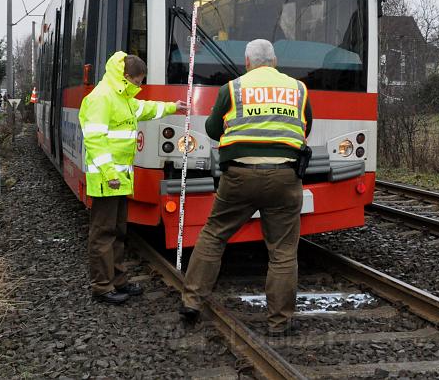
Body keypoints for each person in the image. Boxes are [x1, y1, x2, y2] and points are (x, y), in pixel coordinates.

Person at [180, 39, 312, 336]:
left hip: (239, 176)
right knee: (282, 251)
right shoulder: (298, 89)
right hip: (284, 177)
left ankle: (191, 301)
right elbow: (305, 127)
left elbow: (213, 129)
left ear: (247, 62)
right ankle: (279, 322)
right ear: (274, 61)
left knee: (214, 235)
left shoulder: (233, 88)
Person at [79, 51, 187, 304]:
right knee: (103, 233)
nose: (139, 86)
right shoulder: (102, 98)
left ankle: (117, 281)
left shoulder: (122, 96)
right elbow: (95, 140)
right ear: (126, 76)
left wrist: (173, 107)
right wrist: (109, 173)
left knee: (118, 231)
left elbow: (145, 108)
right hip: (107, 178)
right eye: (138, 81)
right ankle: (102, 287)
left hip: (118, 178)